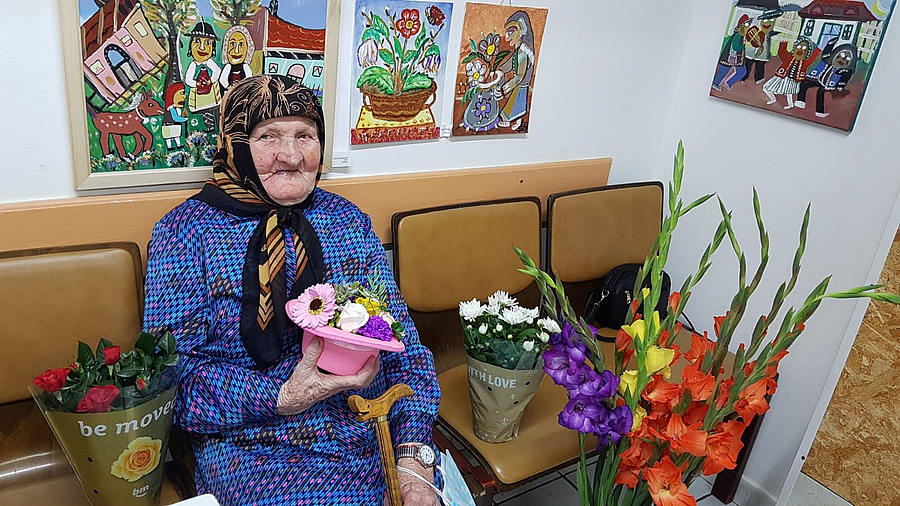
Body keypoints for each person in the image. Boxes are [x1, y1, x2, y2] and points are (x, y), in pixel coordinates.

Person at [143, 75, 441, 505]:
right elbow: (171, 378)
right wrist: (281, 395)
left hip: (368, 426)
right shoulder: (186, 231)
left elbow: (403, 349)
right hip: (256, 446)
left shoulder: (346, 220)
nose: (291, 155)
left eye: (305, 135)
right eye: (268, 137)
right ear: (235, 144)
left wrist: (414, 459)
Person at [797, 39, 857, 118]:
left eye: (847, 60)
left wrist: (840, 85)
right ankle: (800, 101)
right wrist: (830, 44)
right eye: (841, 56)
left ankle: (819, 111)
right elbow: (825, 54)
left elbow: (845, 78)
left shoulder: (845, 71)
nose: (842, 60)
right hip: (817, 78)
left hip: (829, 83)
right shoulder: (827, 61)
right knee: (804, 83)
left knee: (820, 92)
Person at [497, 10, 536, 131]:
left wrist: (505, 88)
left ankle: (514, 119)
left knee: (516, 103)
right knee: (516, 103)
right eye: (507, 33)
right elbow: (510, 64)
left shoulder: (523, 53)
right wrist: (500, 71)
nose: (507, 37)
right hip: (518, 84)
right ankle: (516, 118)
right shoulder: (518, 51)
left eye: (510, 33)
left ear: (521, 30)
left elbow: (519, 76)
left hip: (521, 85)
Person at [762, 37, 821, 109]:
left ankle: (790, 104)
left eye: (804, 48)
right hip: (782, 77)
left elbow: (812, 58)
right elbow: (782, 52)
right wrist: (783, 43)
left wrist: (818, 50)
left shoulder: (805, 62)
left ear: (807, 52)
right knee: (766, 88)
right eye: (799, 47)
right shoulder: (788, 57)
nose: (800, 50)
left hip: (793, 80)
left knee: (789, 93)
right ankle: (773, 99)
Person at [712, 14, 752, 91]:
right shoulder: (738, 35)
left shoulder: (741, 35)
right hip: (730, 57)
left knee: (741, 71)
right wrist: (743, 46)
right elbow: (735, 47)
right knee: (724, 70)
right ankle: (716, 83)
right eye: (746, 25)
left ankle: (727, 83)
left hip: (736, 58)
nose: (747, 28)